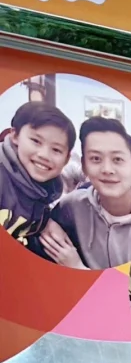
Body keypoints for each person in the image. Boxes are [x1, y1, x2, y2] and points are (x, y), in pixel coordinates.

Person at [41, 117, 131, 269]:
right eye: (95, 158)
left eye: (117, 159)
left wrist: (78, 268)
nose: (107, 169)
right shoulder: (72, 206)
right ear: (84, 167)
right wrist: (46, 222)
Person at [0, 101, 75, 251]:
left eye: (56, 150)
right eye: (35, 141)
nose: (44, 155)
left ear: (67, 159)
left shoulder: (48, 191)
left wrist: (45, 224)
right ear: (15, 136)